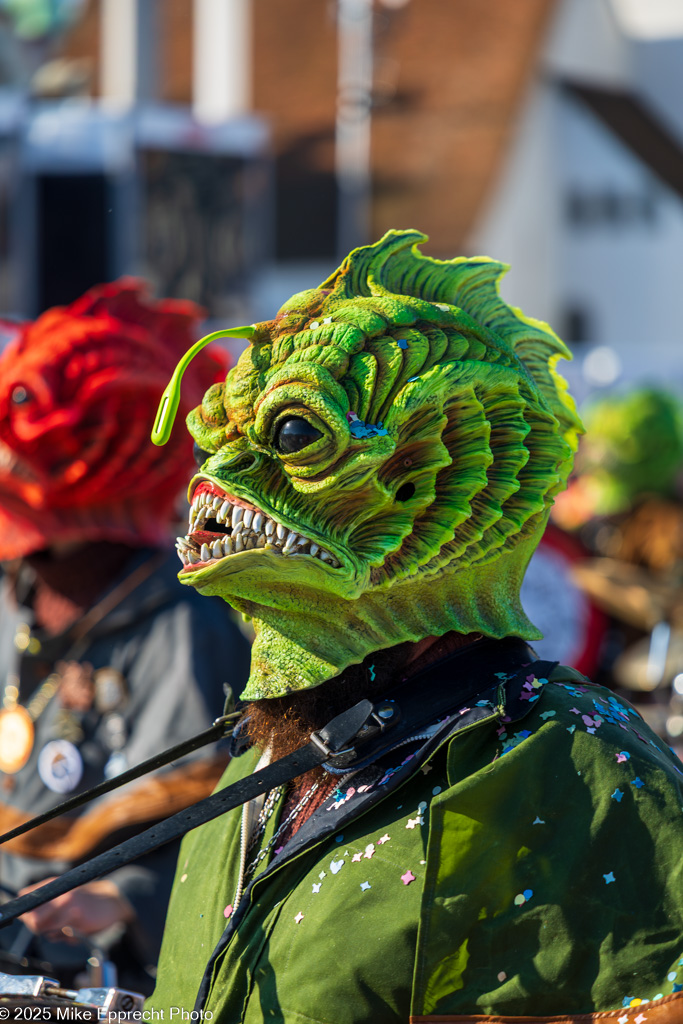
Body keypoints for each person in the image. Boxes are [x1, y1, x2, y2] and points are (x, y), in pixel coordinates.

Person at [146, 230, 683, 1021]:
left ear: (430, 471)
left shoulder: (572, 758)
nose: (216, 479)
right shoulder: (256, 765)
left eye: (292, 438)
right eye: (217, 442)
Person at [0, 280, 251, 992]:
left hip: (96, 977)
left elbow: (217, 848)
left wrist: (123, 901)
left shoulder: (189, 628)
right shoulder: (9, 601)